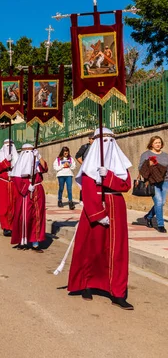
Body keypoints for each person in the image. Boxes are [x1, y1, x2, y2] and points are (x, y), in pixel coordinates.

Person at [68, 128, 134, 309]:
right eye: (103, 140)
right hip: (96, 208)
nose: (107, 144)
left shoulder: (119, 165)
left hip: (116, 208)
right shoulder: (90, 166)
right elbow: (88, 190)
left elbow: (126, 185)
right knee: (92, 248)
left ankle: (117, 292)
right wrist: (97, 214)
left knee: (117, 251)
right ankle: (87, 284)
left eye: (110, 140)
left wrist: (109, 176)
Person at [10, 144, 48, 252]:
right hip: (25, 194)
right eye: (27, 152)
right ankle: (23, 240)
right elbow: (17, 180)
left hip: (37, 191)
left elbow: (45, 168)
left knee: (37, 216)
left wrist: (39, 156)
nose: (29, 154)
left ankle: (35, 242)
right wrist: (26, 187)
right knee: (24, 217)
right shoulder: (19, 166)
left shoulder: (37, 163)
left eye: (31, 152)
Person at [139, 136, 168, 233]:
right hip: (153, 181)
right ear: (151, 144)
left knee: (161, 202)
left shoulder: (165, 155)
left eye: (159, 142)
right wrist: (149, 164)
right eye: (156, 143)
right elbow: (141, 168)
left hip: (165, 181)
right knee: (159, 202)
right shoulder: (146, 154)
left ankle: (149, 216)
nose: (158, 144)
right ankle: (160, 225)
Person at [0, 139, 18, 237]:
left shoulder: (17, 157)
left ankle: (13, 226)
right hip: (3, 184)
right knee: (3, 206)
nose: (9, 148)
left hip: (14, 183)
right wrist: (6, 161)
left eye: (11, 146)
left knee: (14, 206)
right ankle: (6, 227)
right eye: (7, 146)